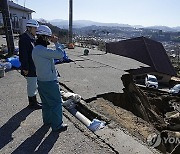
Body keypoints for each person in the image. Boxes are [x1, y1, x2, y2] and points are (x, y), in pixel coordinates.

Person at [32, 25, 68, 132]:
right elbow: (60, 54)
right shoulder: (42, 50)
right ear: (43, 37)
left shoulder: (37, 49)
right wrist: (56, 43)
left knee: (46, 103)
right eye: (48, 37)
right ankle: (57, 125)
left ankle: (47, 121)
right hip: (49, 81)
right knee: (56, 103)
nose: (49, 39)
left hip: (41, 80)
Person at [19, 19, 42, 109]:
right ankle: (32, 104)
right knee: (31, 85)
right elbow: (23, 54)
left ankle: (34, 101)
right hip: (29, 66)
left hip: (33, 66)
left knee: (34, 84)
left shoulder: (31, 38)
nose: (36, 30)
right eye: (35, 28)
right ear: (29, 28)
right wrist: (25, 68)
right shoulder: (24, 39)